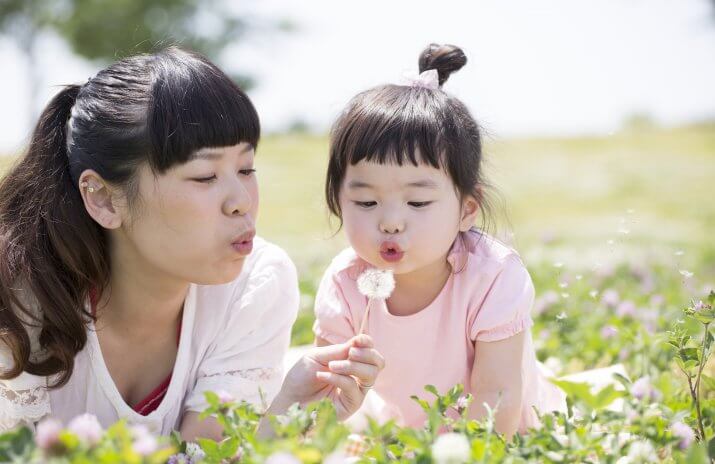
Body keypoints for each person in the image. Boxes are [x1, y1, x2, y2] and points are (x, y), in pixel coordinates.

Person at [0, 47, 384, 440]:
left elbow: (203, 453)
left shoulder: (255, 285)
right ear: (102, 198)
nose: (242, 202)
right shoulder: (18, 303)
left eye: (246, 168)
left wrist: (286, 412)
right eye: (204, 176)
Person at [313, 43, 566, 439]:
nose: (391, 222)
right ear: (338, 201)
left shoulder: (492, 276)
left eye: (417, 202)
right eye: (366, 201)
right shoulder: (345, 283)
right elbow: (322, 395)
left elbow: (495, 397)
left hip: (509, 437)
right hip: (406, 437)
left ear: (467, 209)